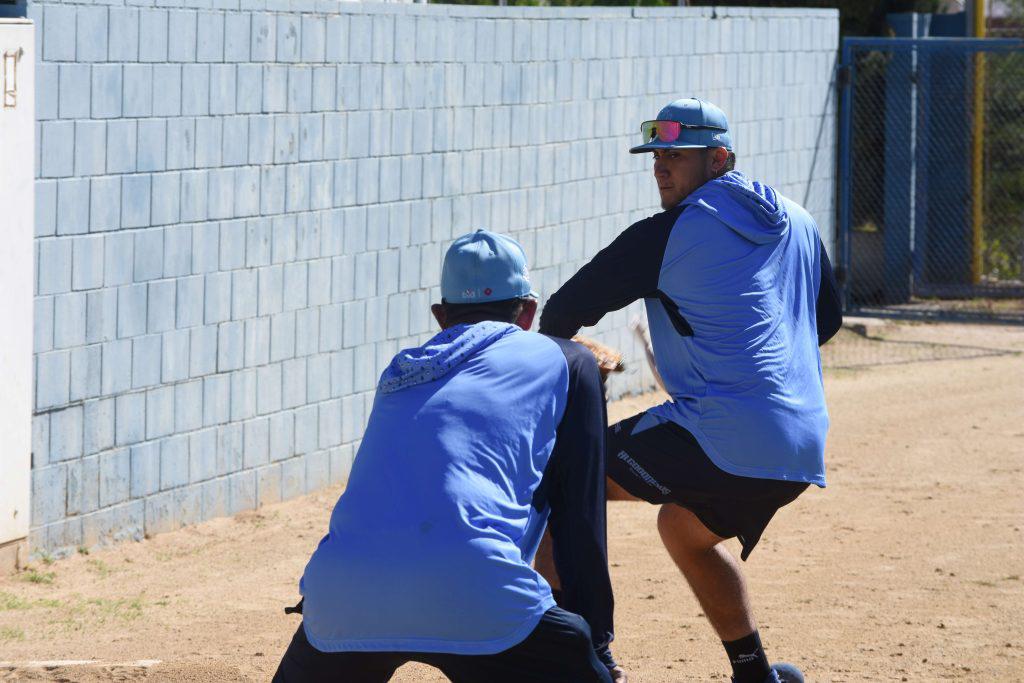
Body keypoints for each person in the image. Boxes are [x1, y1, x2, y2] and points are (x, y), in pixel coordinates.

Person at [536, 98, 843, 683]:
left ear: (719, 159)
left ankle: (591, 657)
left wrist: (574, 361)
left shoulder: (669, 233)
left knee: (564, 482)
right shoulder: (800, 221)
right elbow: (825, 321)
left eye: (676, 154)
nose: (660, 166)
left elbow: (559, 313)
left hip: (718, 435)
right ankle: (755, 675)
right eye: (656, 155)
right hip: (801, 446)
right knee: (683, 528)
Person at [274, 229, 621, 683]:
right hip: (478, 594)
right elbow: (579, 515)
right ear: (529, 311)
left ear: (441, 315)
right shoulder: (569, 361)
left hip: (343, 595)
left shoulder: (400, 371)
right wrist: (595, 643)